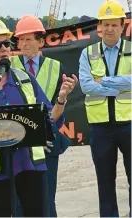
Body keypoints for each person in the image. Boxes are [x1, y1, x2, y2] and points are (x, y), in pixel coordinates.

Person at [0, 15, 78, 217]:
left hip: (30, 168)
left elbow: (49, 119)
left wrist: (62, 99)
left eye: (6, 43)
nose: (4, 48)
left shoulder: (25, 80)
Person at [10, 15, 72, 217]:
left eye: (29, 39)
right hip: (18, 143)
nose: (24, 44)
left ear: (40, 41)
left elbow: (56, 114)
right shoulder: (7, 66)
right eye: (20, 39)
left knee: (46, 201)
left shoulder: (56, 68)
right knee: (19, 202)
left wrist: (62, 98)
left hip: (47, 142)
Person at [79, 1, 131, 217]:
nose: (109, 29)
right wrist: (120, 85)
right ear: (99, 26)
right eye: (105, 24)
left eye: (114, 24)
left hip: (129, 124)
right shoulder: (87, 53)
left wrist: (105, 82)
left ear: (122, 26)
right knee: (105, 182)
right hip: (100, 129)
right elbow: (86, 85)